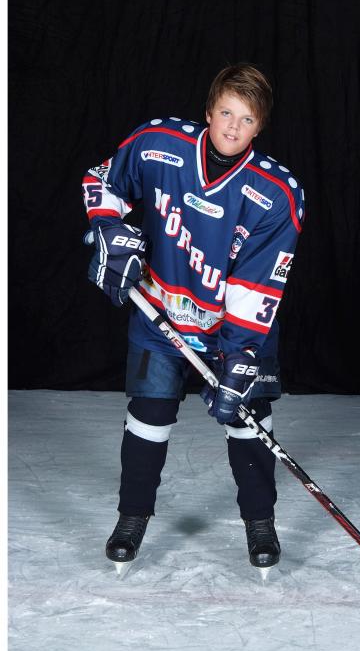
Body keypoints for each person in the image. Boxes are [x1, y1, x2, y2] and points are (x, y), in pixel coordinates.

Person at [82, 63, 305, 572]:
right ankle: (132, 518)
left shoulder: (277, 194)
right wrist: (108, 230)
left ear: (260, 127)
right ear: (208, 111)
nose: (233, 127)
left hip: (236, 329)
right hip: (159, 313)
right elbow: (102, 181)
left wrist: (240, 356)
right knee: (148, 415)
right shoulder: (157, 144)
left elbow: (258, 285)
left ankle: (260, 523)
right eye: (226, 113)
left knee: (248, 421)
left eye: (246, 119)